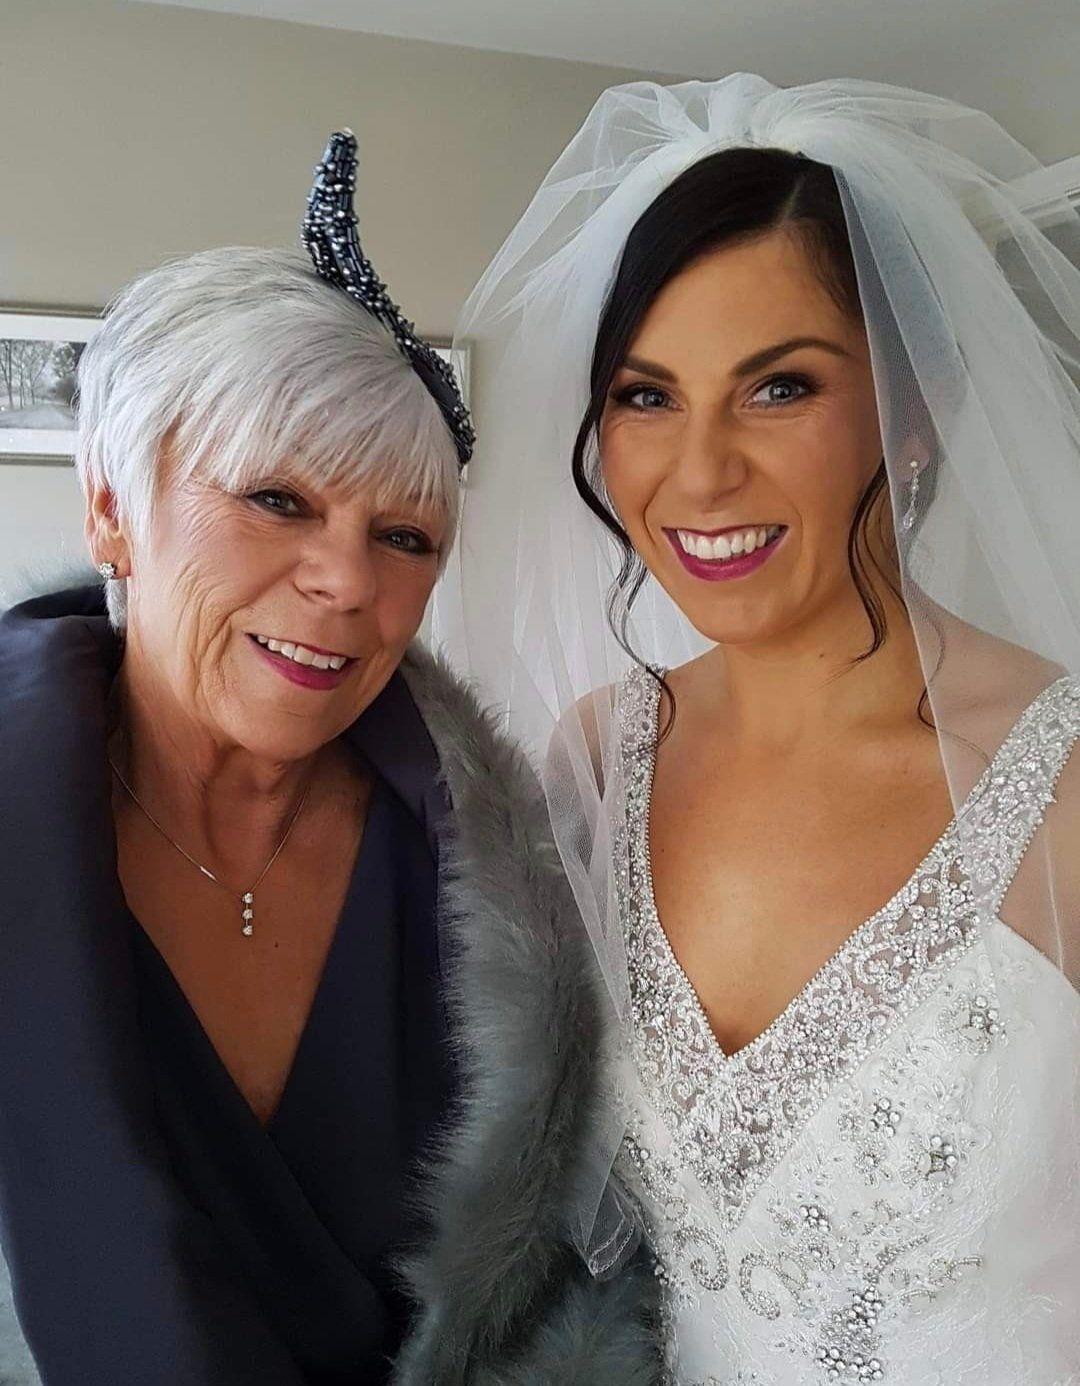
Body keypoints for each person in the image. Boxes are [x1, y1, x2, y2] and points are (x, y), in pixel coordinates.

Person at [439, 76, 1080, 1383]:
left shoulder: (1065, 778)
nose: (700, 470)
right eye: (646, 394)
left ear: (915, 414)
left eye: (778, 388)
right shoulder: (588, 760)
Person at [0, 133, 660, 1385]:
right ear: (108, 509)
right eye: (277, 502)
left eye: (403, 535)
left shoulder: (504, 869)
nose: (349, 583)